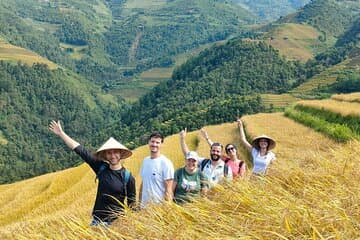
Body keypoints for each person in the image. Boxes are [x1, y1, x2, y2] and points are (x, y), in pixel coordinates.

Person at [48, 120, 136, 226]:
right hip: (97, 222)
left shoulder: (128, 177)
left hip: (116, 224)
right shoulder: (101, 167)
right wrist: (62, 134)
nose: (113, 156)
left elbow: (132, 205)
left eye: (115, 152)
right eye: (109, 153)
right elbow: (80, 150)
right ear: (105, 155)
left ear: (121, 153)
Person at [139, 132, 174, 208]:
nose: (154, 144)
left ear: (161, 144)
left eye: (157, 142)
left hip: (158, 209)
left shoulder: (166, 163)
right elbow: (143, 183)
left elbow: (168, 189)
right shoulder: (145, 161)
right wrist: (139, 203)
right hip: (144, 207)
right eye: (152, 141)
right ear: (149, 142)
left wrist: (167, 209)